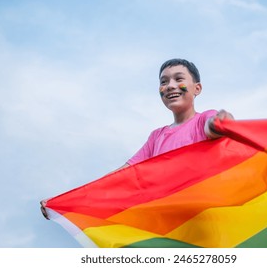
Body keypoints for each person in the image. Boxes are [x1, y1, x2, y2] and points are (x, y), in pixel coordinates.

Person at [40, 58, 233, 219]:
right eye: (164, 82)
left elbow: (215, 126)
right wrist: (69, 199)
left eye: (178, 79)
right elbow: (123, 174)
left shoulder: (204, 119)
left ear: (197, 88)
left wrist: (222, 122)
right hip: (166, 218)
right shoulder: (157, 136)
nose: (170, 86)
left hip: (201, 214)